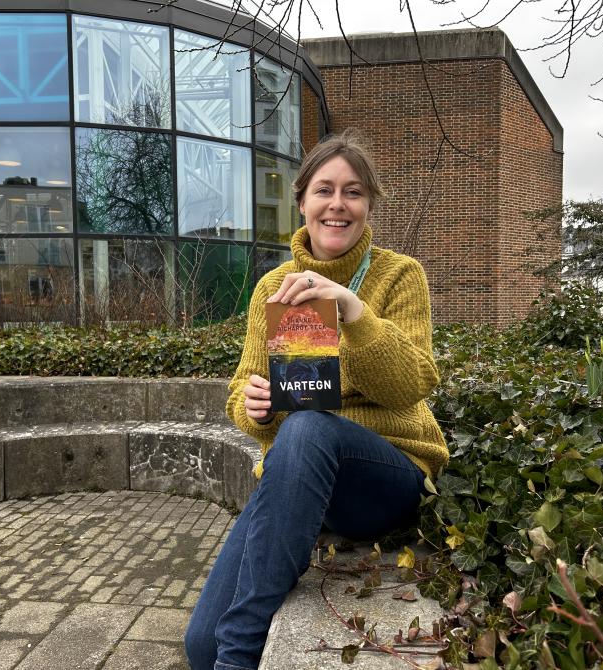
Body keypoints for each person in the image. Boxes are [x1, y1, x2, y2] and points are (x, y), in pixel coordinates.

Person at [183, 130, 448, 670]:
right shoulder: (273, 287)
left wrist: (353, 310)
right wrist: (253, 406)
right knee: (199, 645)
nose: (337, 204)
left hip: (388, 473)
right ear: (302, 200)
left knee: (307, 430)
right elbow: (244, 388)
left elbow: (412, 384)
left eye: (353, 192)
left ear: (369, 204)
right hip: (302, 476)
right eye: (324, 190)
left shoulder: (400, 276)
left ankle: (241, 657)